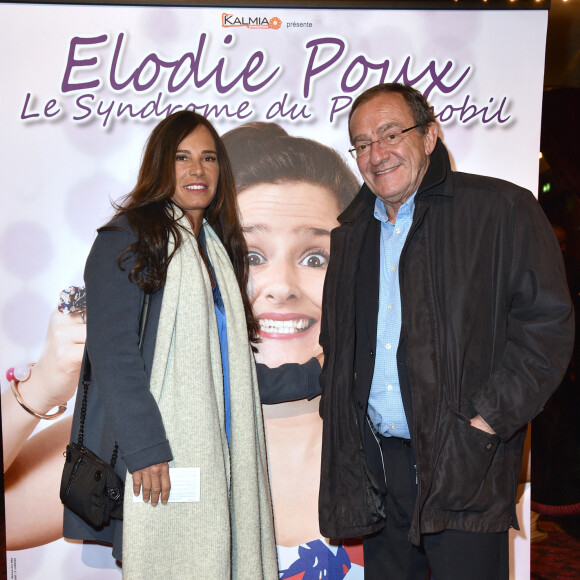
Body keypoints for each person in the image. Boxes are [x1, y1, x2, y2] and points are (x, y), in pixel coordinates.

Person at [317, 83, 575, 580]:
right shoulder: (350, 234)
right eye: (363, 143)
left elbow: (547, 327)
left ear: (430, 135)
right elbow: (339, 342)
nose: (377, 154)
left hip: (465, 467)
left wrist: (486, 422)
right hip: (378, 472)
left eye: (390, 134)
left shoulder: (501, 210)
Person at [61, 111, 277, 578]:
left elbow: (226, 369)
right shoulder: (128, 237)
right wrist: (147, 449)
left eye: (208, 158)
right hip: (162, 456)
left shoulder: (215, 251)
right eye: (182, 158)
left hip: (222, 456)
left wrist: (318, 373)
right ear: (161, 165)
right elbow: (113, 351)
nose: (197, 171)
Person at [223, 123, 364, 578]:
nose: (281, 288)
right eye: (250, 256)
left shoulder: (396, 432)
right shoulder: (158, 425)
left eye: (315, 258)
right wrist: (46, 384)